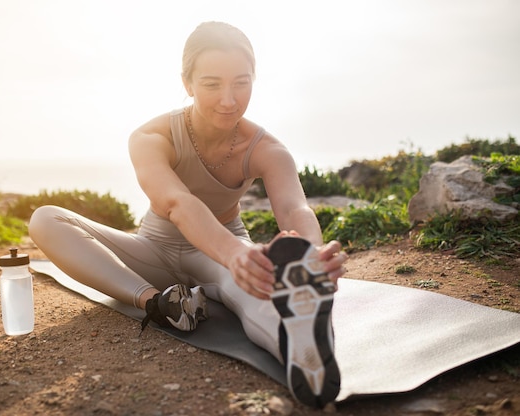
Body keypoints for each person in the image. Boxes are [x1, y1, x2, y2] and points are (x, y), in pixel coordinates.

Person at [28, 21, 348, 408]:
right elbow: (177, 203)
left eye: (241, 83)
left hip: (218, 254)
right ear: (187, 82)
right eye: (212, 84)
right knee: (46, 219)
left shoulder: (268, 149)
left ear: (254, 80)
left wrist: (311, 254)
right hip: (154, 251)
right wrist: (234, 252)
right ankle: (158, 303)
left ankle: (306, 354)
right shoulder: (151, 137)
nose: (228, 100)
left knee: (256, 293)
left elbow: (293, 207)